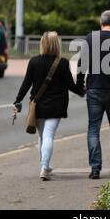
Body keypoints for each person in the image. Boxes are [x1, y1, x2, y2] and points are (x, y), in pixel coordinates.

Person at [13, 31, 84, 181]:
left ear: (42, 45)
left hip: (38, 106)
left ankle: (44, 166)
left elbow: (26, 84)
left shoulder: (34, 62)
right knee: (48, 136)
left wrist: (17, 101)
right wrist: (82, 90)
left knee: (42, 136)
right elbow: (71, 86)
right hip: (56, 106)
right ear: (56, 45)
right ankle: (45, 167)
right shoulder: (63, 63)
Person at [76, 10, 110, 179]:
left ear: (101, 23)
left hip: (94, 89)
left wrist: (80, 86)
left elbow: (81, 64)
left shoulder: (90, 38)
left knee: (93, 129)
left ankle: (95, 168)